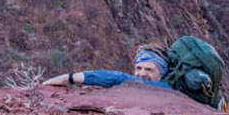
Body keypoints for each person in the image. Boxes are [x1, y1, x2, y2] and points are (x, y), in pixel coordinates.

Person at [41, 46, 174, 90]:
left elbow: (115, 78)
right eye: (138, 68)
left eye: (149, 69)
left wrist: (68, 78)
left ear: (162, 73)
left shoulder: (168, 88)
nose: (142, 74)